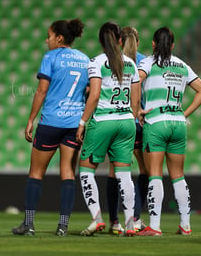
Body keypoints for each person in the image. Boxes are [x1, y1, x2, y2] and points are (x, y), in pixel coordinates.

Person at [12, 18, 89, 236]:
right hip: (74, 125)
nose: (47, 41)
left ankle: (28, 224)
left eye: (49, 36)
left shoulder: (50, 57)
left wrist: (30, 119)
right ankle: (63, 226)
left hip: (51, 123)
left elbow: (41, 91)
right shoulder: (85, 60)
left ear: (59, 38)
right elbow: (90, 91)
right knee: (68, 173)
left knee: (36, 173)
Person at [136, 26, 201, 236]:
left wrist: (137, 110)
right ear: (173, 45)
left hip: (156, 121)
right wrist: (184, 114)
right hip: (177, 122)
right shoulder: (182, 65)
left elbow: (135, 82)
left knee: (155, 175)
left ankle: (155, 226)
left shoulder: (148, 62)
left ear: (153, 44)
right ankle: (185, 225)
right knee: (178, 176)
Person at [77, 22, 140, 237]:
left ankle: (97, 219)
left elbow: (94, 96)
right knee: (124, 175)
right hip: (126, 122)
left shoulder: (96, 62)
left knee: (86, 171)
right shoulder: (131, 63)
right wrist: (129, 119)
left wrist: (83, 122)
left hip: (102, 121)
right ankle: (130, 222)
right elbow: (136, 100)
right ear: (120, 40)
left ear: (100, 41)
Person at [104, 26, 148, 235]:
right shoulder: (145, 62)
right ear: (137, 41)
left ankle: (114, 221)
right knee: (144, 170)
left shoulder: (114, 60)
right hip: (140, 122)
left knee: (116, 171)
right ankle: (136, 218)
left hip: (118, 120)